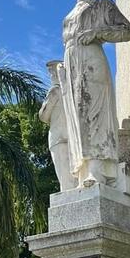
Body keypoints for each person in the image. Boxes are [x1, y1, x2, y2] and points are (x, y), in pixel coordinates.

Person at [60, 0, 130, 188]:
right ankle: (83, 172)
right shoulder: (68, 16)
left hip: (93, 64)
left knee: (95, 115)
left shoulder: (102, 5)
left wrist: (98, 33)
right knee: (78, 118)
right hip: (72, 69)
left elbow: (127, 31)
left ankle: (97, 170)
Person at [39, 60, 74, 191]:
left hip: (57, 137)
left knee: (64, 179)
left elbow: (43, 116)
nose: (51, 75)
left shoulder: (54, 91)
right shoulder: (72, 94)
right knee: (71, 174)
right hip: (71, 136)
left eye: (52, 73)